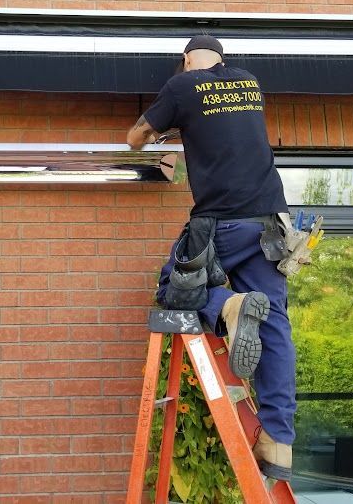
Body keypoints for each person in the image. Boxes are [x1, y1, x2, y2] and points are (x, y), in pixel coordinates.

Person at [126, 34, 295, 482]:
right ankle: (279, 442)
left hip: (220, 221)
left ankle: (227, 306)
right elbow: (226, 127)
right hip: (270, 222)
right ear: (223, 58)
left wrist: (168, 123)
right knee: (276, 321)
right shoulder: (248, 83)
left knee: (173, 285)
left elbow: (135, 139)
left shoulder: (182, 86)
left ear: (185, 60)